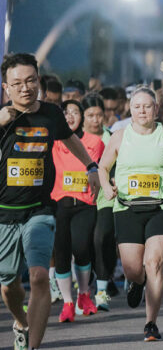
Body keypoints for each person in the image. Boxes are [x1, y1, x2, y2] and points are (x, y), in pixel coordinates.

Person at [0, 53, 102, 350]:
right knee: (9, 286)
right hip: (4, 212)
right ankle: (21, 322)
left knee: (39, 276)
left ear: (39, 81)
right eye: (17, 83)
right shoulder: (2, 117)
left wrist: (91, 166)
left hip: (40, 209)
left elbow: (69, 138)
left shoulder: (51, 114)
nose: (25, 88)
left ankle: (32, 346)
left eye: (31, 80)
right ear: (6, 87)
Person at [97, 86, 163, 341]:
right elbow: (103, 167)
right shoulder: (119, 136)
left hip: (160, 207)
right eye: (137, 107)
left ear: (156, 109)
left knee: (154, 263)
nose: (142, 111)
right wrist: (106, 187)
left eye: (147, 106)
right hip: (127, 208)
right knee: (133, 269)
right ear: (130, 110)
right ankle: (136, 281)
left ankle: (151, 323)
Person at [51, 99, 105, 322]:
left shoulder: (95, 142)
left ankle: (84, 294)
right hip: (59, 204)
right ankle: (67, 303)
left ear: (82, 116)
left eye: (75, 112)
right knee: (61, 253)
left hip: (85, 203)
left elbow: (102, 168)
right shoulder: (53, 142)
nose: (70, 116)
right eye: (65, 112)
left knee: (82, 247)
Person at [84, 95, 117, 311]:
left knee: (102, 238)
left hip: (106, 196)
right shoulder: (76, 138)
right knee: (85, 243)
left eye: (99, 115)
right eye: (90, 115)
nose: (96, 120)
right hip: (82, 196)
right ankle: (85, 287)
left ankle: (102, 291)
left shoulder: (112, 137)